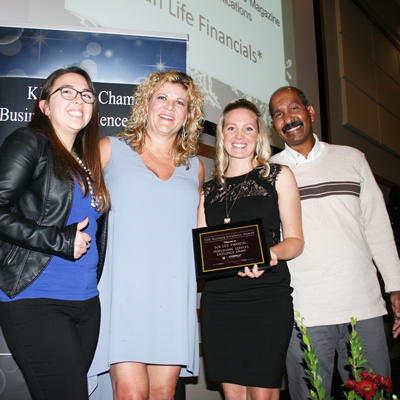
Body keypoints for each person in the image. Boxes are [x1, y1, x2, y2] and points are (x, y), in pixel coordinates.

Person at [269, 86, 400, 399]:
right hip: (304, 311)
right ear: (273, 125)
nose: (288, 118)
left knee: (373, 395)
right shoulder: (267, 172)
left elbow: (378, 227)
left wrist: (396, 286)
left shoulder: (352, 159)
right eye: (277, 114)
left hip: (363, 306)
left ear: (310, 112)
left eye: (293, 108)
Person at [88, 70, 204, 400]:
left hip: (172, 291)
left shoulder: (195, 166)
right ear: (146, 104)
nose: (170, 107)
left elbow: (201, 231)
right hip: (123, 290)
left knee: (164, 394)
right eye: (162, 98)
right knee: (130, 393)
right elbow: (75, 206)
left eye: (180, 102)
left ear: (188, 114)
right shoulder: (110, 148)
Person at [0, 66, 109, 400]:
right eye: (67, 91)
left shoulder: (85, 162)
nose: (79, 99)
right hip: (37, 299)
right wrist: (60, 241)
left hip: (86, 302)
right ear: (44, 106)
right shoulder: (29, 140)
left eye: (86, 94)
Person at [198, 99, 304, 400]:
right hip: (220, 300)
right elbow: (204, 244)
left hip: (266, 298)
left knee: (262, 394)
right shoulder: (207, 190)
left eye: (248, 128)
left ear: (259, 135)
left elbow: (295, 241)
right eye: (232, 128)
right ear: (222, 134)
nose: (240, 135)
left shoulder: (278, 176)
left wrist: (271, 253)